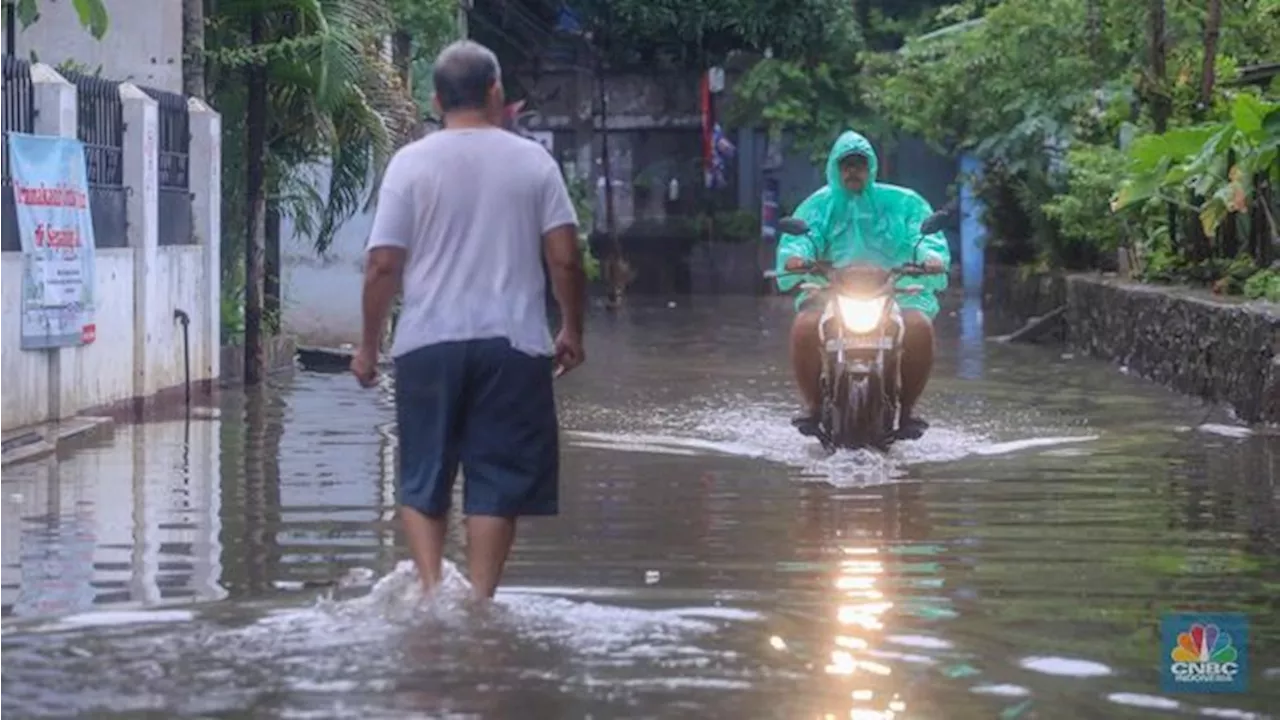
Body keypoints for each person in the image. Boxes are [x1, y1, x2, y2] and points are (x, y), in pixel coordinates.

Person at [350, 40, 586, 600]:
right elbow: (566, 258)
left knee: (423, 474)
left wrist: (366, 346)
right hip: (514, 346)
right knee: (498, 482)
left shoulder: (410, 164)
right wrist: (573, 329)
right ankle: (480, 601)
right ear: (496, 92)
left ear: (435, 99)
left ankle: (432, 590)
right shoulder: (534, 163)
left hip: (428, 344)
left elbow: (383, 263)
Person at [776, 130, 950, 440]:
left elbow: (920, 235)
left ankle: (908, 411)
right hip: (831, 289)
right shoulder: (820, 205)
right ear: (835, 168)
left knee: (920, 328)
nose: (852, 171)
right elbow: (805, 237)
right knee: (804, 326)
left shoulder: (902, 201)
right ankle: (814, 406)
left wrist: (929, 256)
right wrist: (797, 257)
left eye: (859, 165)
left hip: (895, 288)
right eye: (846, 165)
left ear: (870, 167)